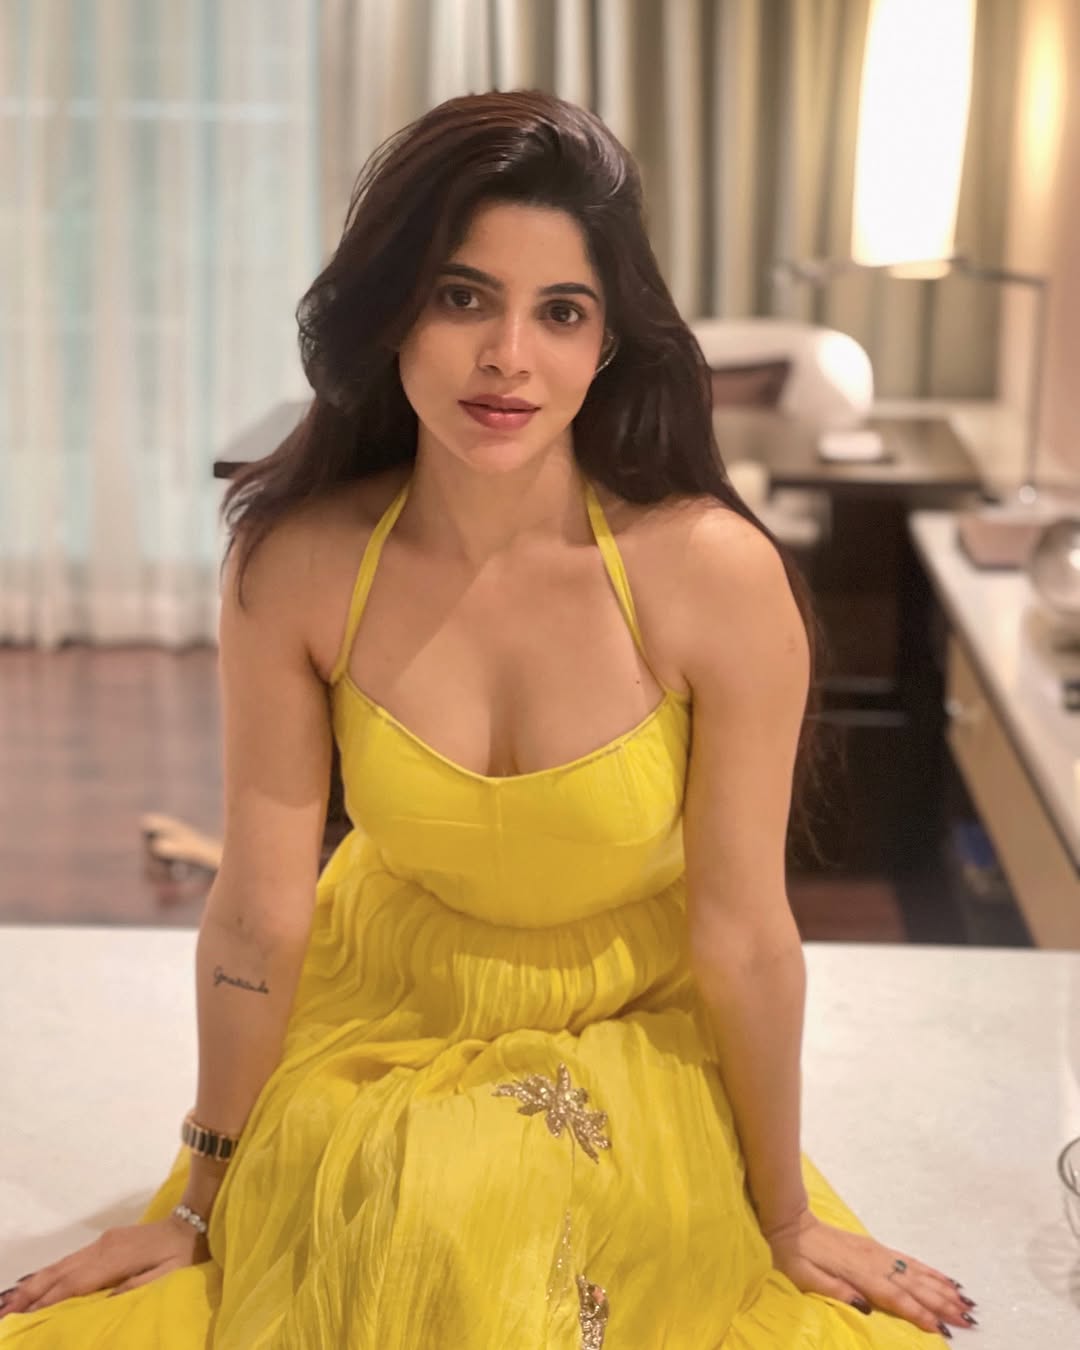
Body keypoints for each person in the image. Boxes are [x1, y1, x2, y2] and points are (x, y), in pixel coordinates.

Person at [0, 90, 976, 1348]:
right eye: (463, 297)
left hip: (630, 1025)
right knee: (412, 1227)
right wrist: (196, 1200)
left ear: (608, 342)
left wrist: (785, 1217)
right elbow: (256, 910)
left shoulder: (713, 577)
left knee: (533, 1259)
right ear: (392, 312)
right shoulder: (296, 566)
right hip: (386, 1010)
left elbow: (745, 934)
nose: (509, 356)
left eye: (561, 311)